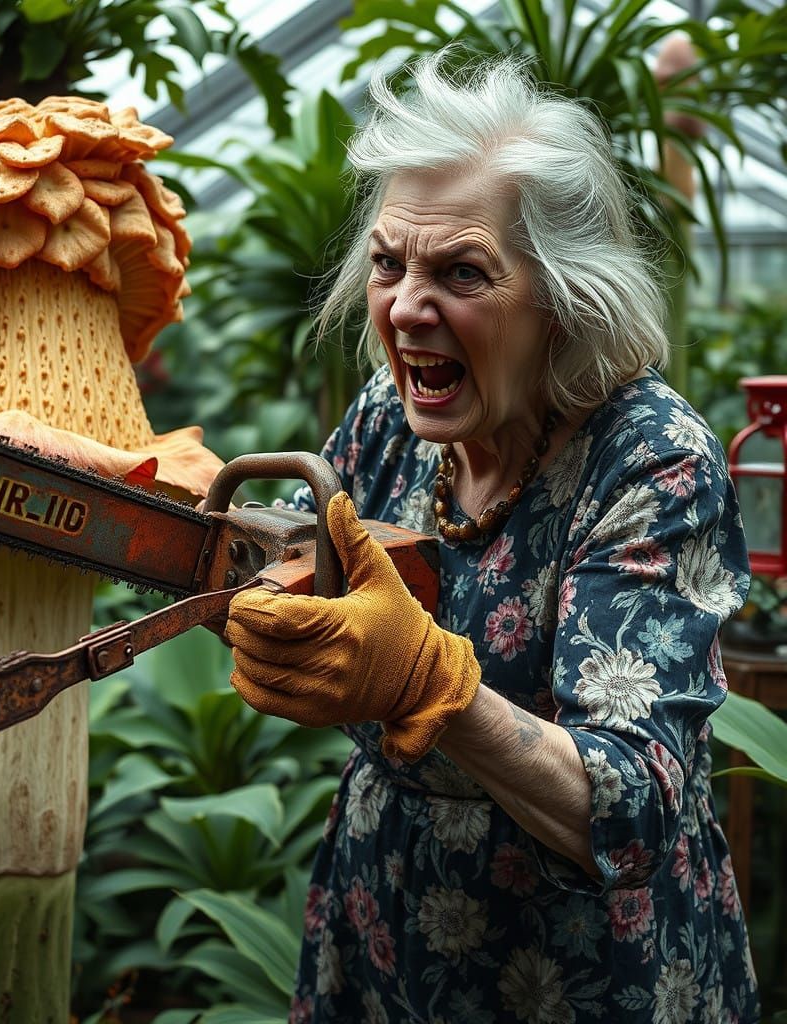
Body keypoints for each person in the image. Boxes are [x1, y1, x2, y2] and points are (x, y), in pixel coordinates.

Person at [224, 53, 760, 1024]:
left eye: (461, 271)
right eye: (389, 263)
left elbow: (633, 805)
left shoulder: (649, 458)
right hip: (387, 934)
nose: (407, 305)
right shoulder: (389, 418)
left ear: (561, 298)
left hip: (586, 978)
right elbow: (317, 591)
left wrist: (434, 685)